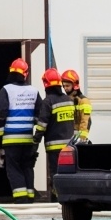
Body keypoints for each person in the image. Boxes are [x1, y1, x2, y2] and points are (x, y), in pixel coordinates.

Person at [0, 58, 44, 204]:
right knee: (27, 166)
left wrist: (0, 119)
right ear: (25, 74)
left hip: (11, 139)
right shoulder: (34, 91)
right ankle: (29, 195)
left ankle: (20, 197)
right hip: (28, 138)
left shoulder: (6, 89)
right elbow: (41, 113)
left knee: (13, 167)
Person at [35, 68, 75, 202]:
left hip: (54, 147)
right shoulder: (68, 100)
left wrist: (35, 141)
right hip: (69, 146)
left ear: (46, 84)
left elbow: (42, 125)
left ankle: (57, 198)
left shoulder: (48, 101)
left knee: (55, 173)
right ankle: (68, 197)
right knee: (68, 172)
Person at [61, 69, 92, 143]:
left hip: (78, 140)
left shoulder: (84, 101)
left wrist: (81, 138)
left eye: (67, 86)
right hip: (67, 138)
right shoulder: (66, 100)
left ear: (75, 85)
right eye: (64, 86)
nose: (65, 88)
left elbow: (85, 122)